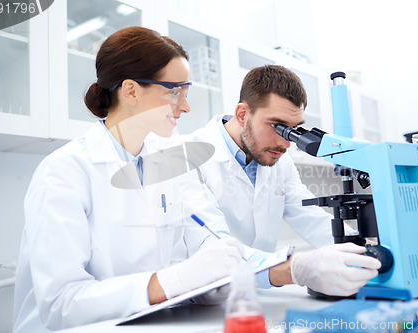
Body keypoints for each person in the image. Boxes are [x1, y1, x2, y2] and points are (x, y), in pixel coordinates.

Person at [12, 27, 244, 332]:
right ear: (131, 91)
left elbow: (203, 243)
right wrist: (175, 280)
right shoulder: (65, 171)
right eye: (175, 91)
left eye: (186, 93)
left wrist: (221, 278)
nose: (185, 106)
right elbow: (61, 304)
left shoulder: (170, 163)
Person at [182, 64, 381, 295]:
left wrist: (361, 250)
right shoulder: (188, 157)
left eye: (293, 130)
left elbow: (310, 215)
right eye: (277, 126)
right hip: (203, 303)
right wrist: (294, 270)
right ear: (242, 114)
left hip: (257, 296)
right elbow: (213, 246)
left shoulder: (279, 160)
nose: (286, 143)